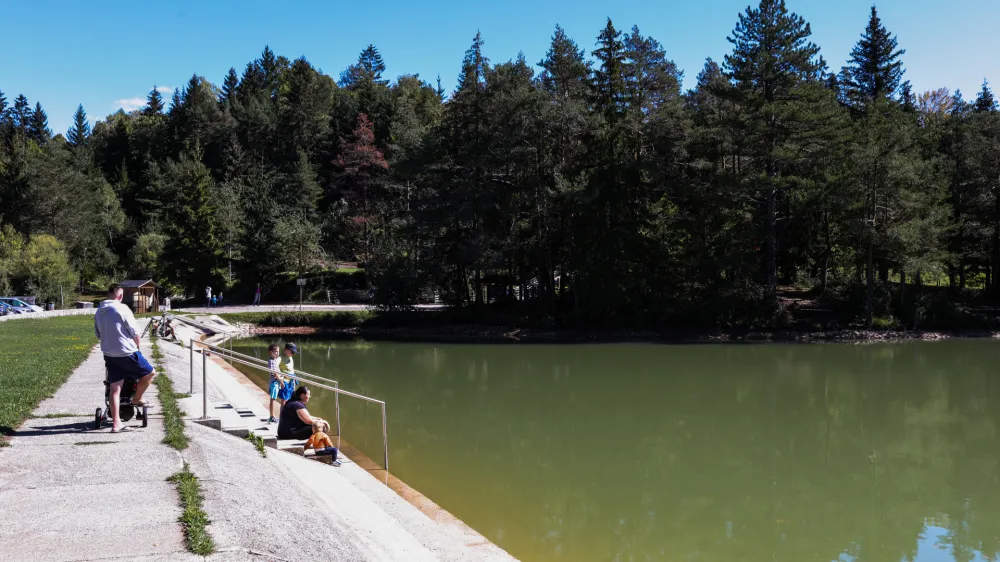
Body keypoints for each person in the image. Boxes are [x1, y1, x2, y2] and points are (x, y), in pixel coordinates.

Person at [95, 283, 157, 433]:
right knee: (150, 373)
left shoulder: (99, 311)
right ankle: (136, 399)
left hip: (109, 354)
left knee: (114, 389)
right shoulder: (121, 308)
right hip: (126, 352)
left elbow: (98, 334)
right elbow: (135, 333)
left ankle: (116, 424)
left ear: (109, 294)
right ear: (120, 296)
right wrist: (138, 349)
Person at [266, 344, 286, 423]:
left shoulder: (274, 360)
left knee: (274, 398)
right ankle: (271, 416)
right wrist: (281, 381)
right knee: (273, 399)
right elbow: (274, 373)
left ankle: (272, 415)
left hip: (276, 382)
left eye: (278, 352)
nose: (277, 353)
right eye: (276, 352)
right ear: (271, 352)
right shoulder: (271, 361)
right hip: (274, 382)